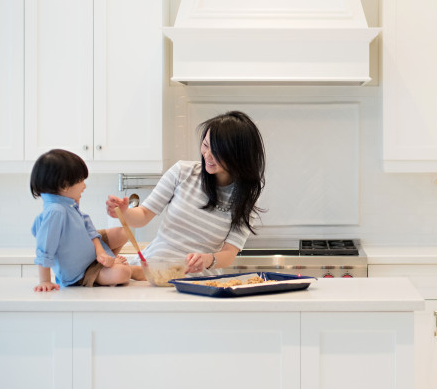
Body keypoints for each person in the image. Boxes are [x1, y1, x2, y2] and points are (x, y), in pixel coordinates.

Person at [105, 111, 266, 279]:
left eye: (218, 152)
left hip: (195, 281)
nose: (207, 156)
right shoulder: (183, 172)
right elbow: (144, 215)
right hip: (148, 272)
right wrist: (124, 212)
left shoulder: (248, 196)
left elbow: (229, 253)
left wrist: (208, 259)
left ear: (238, 155)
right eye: (205, 145)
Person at [31, 149, 132, 292]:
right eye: (80, 181)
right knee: (124, 273)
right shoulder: (55, 211)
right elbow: (44, 249)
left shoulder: (68, 203)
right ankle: (117, 268)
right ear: (65, 185)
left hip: (90, 254)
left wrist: (101, 253)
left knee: (122, 233)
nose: (84, 186)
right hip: (80, 272)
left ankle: (107, 263)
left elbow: (89, 229)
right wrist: (45, 281)